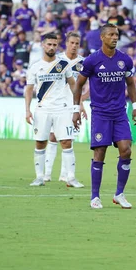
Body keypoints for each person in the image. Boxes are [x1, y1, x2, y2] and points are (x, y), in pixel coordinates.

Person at [72, 24, 136, 210]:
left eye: (116, 34)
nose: (115, 37)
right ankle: (95, 197)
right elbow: (78, 85)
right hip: (100, 113)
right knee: (100, 152)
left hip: (119, 112)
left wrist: (135, 107)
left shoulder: (124, 60)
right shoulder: (91, 61)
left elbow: (131, 84)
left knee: (126, 150)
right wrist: (75, 110)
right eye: (111, 34)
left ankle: (119, 194)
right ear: (102, 37)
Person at [24, 33, 78, 187]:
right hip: (42, 110)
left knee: (67, 142)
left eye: (55, 45)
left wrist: (76, 105)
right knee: (40, 143)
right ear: (43, 45)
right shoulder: (35, 66)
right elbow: (29, 90)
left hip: (62, 109)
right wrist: (27, 110)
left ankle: (71, 178)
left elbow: (73, 85)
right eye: (49, 44)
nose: (52, 47)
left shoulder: (63, 64)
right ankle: (40, 177)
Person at [43, 32, 87, 187]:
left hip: (72, 106)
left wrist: (80, 103)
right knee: (53, 136)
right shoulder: (58, 60)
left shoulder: (83, 62)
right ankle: (47, 174)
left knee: (68, 139)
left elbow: (87, 86)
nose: (74, 46)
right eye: (72, 43)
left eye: (77, 43)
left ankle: (64, 175)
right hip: (56, 104)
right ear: (67, 43)